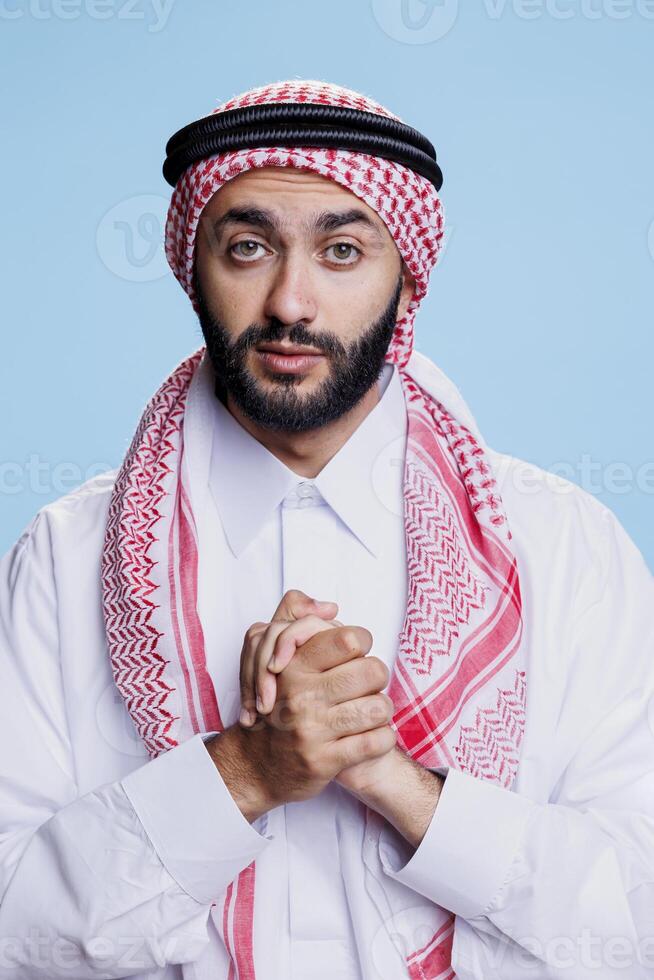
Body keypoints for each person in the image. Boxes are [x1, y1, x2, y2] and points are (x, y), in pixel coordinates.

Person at [0, 78, 653, 980]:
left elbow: (634, 925)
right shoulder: (65, 559)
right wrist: (245, 773)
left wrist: (401, 787)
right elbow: (11, 934)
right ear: (194, 268)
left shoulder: (564, 550)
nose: (291, 302)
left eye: (342, 250)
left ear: (406, 276)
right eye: (248, 248)